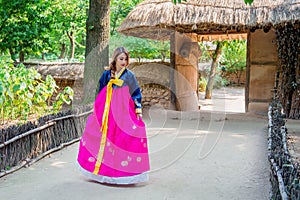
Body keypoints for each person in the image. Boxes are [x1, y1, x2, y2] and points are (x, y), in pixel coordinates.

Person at [77, 47, 150, 185]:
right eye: (121, 59)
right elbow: (100, 91)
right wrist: (97, 109)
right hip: (107, 112)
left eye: (125, 59)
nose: (123, 61)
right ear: (115, 59)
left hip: (123, 113)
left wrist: (138, 109)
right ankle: (102, 172)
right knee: (103, 137)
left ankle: (123, 174)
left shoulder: (129, 76)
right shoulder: (106, 74)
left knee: (122, 139)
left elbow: (136, 93)